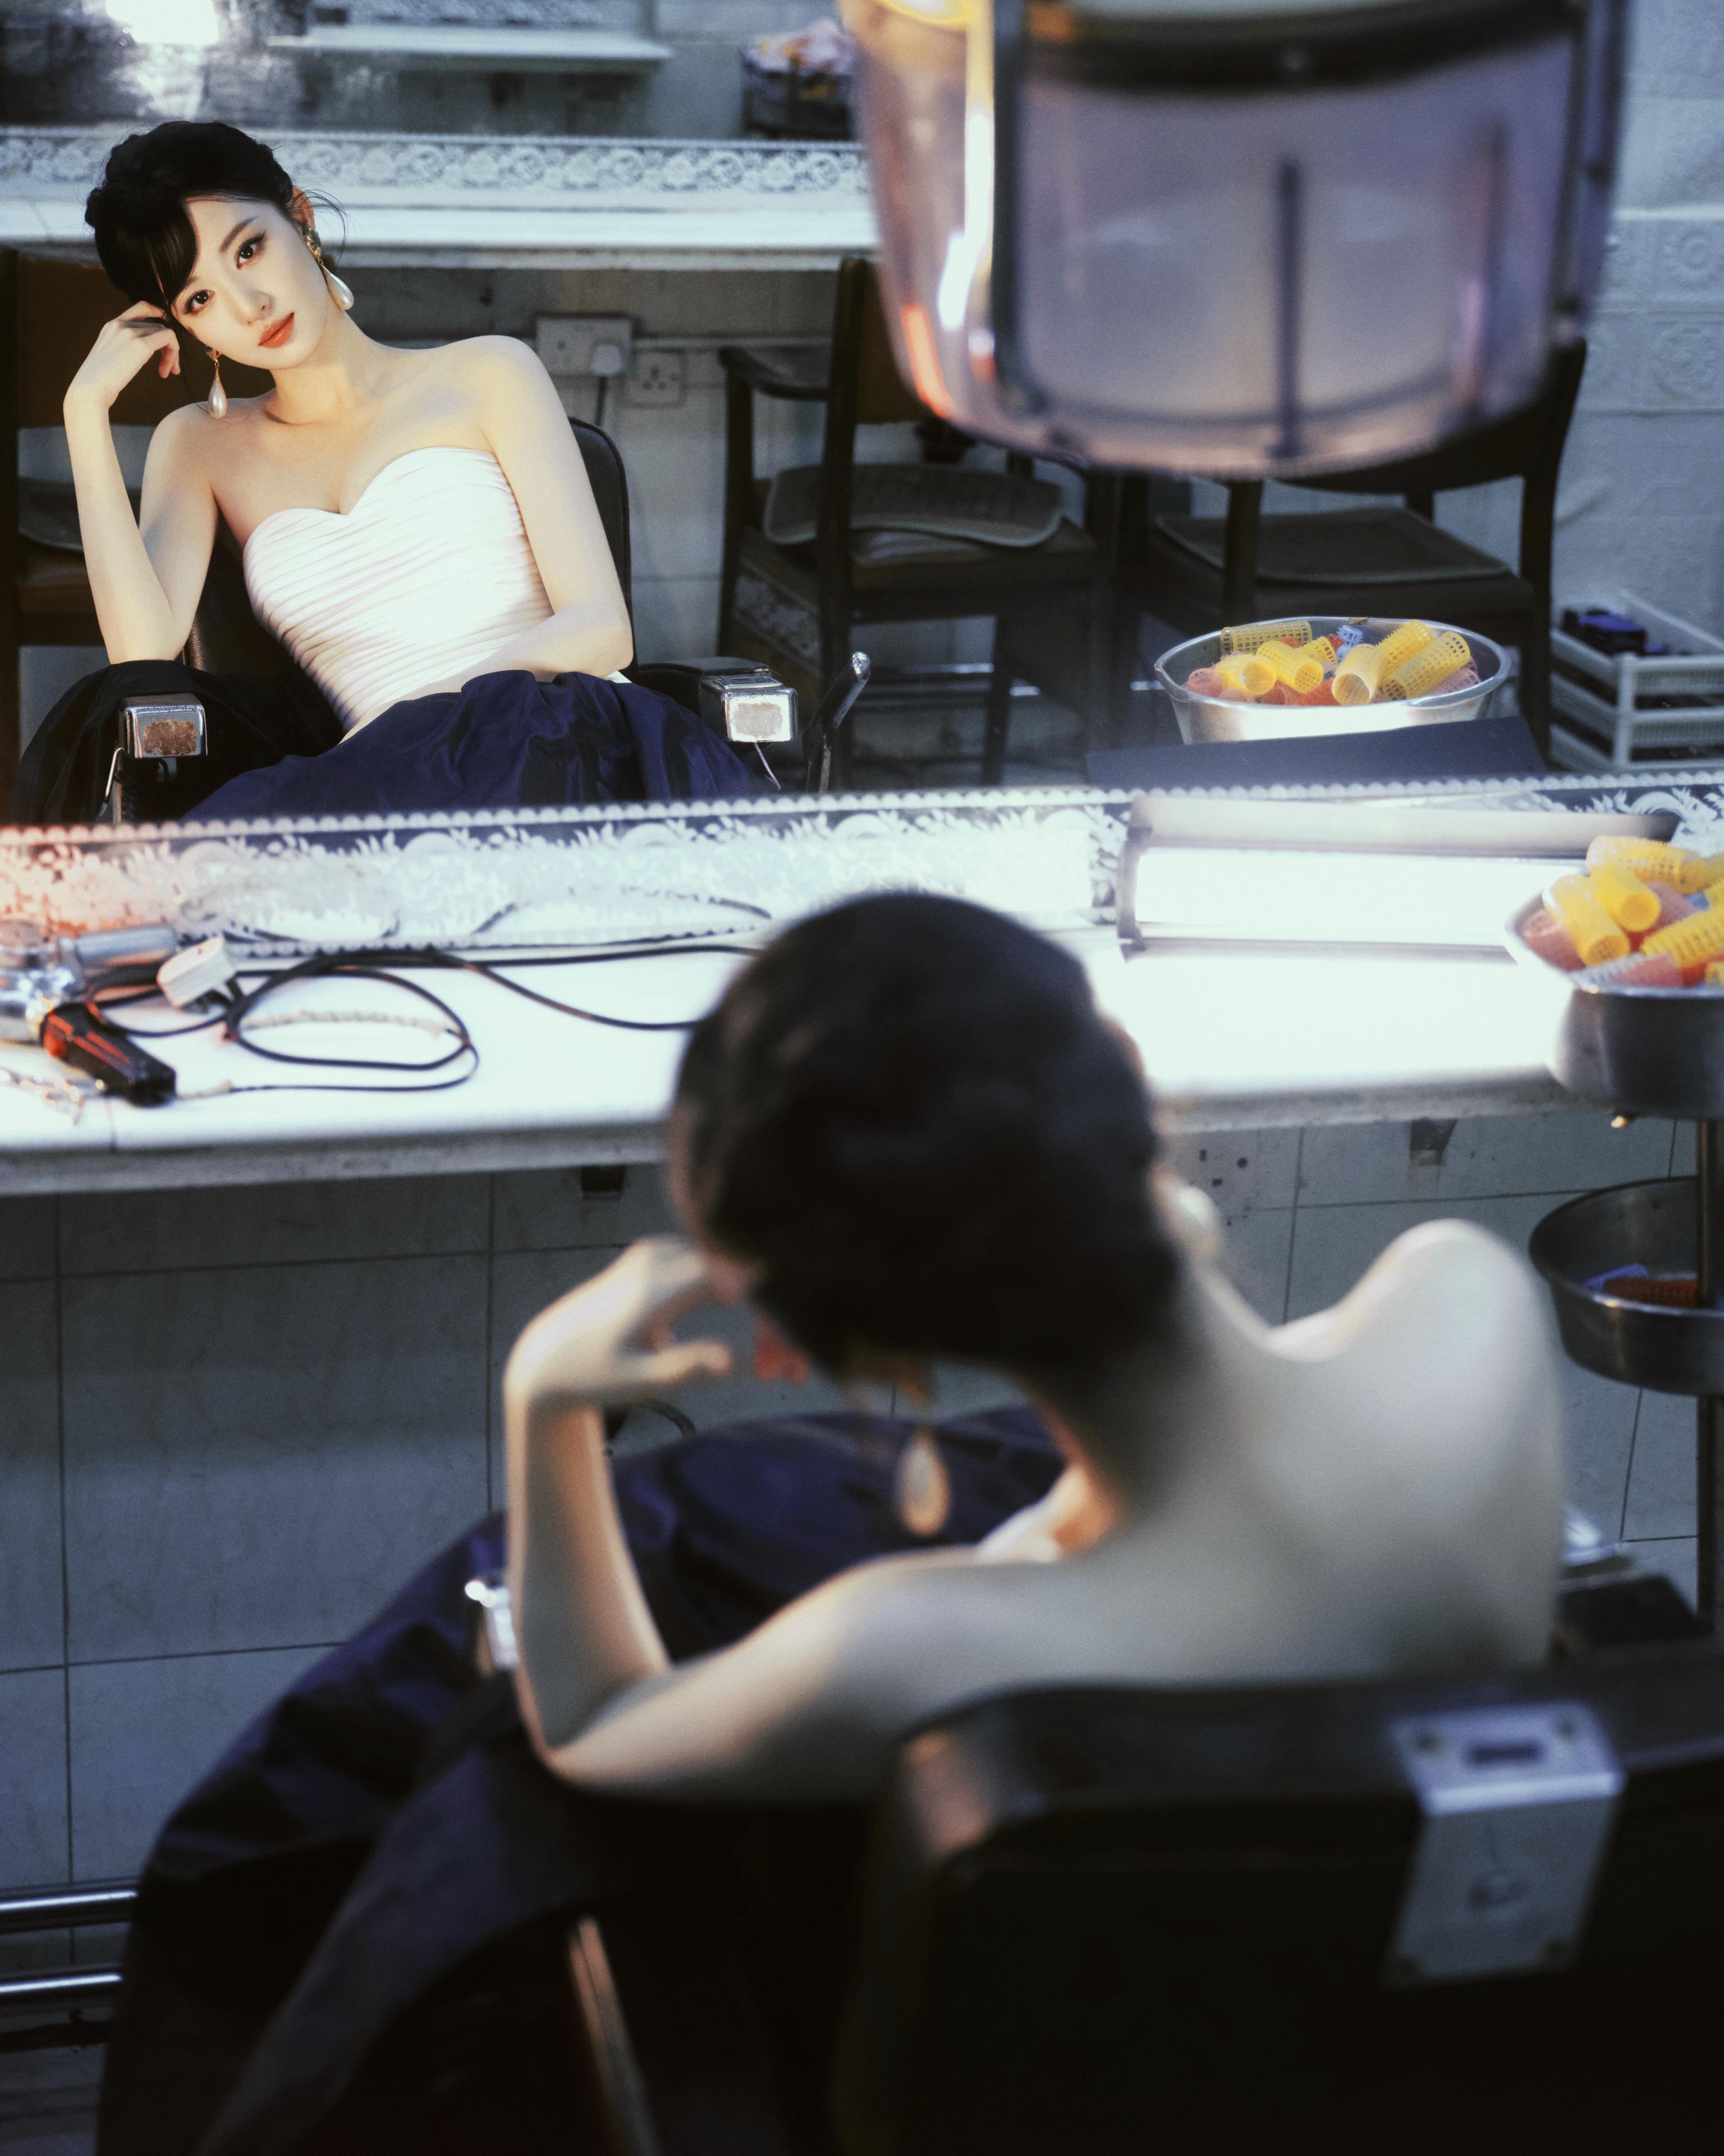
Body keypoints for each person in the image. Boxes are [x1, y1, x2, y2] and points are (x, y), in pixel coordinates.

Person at [99, 896, 1565, 2155]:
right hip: (1381, 2079)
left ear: (876, 1355)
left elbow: (592, 1720)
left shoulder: (919, 1652)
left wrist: (543, 1393)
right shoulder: (1469, 1315)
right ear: (1127, 1071)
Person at [12, 122, 759, 825]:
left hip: (555, 737)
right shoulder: (200, 445)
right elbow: (140, 655)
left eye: (249, 249)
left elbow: (602, 629)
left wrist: (421, 722)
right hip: (377, 785)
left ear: (300, 218)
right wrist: (86, 410)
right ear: (182, 324)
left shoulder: (489, 372)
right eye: (200, 298)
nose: (249, 306)